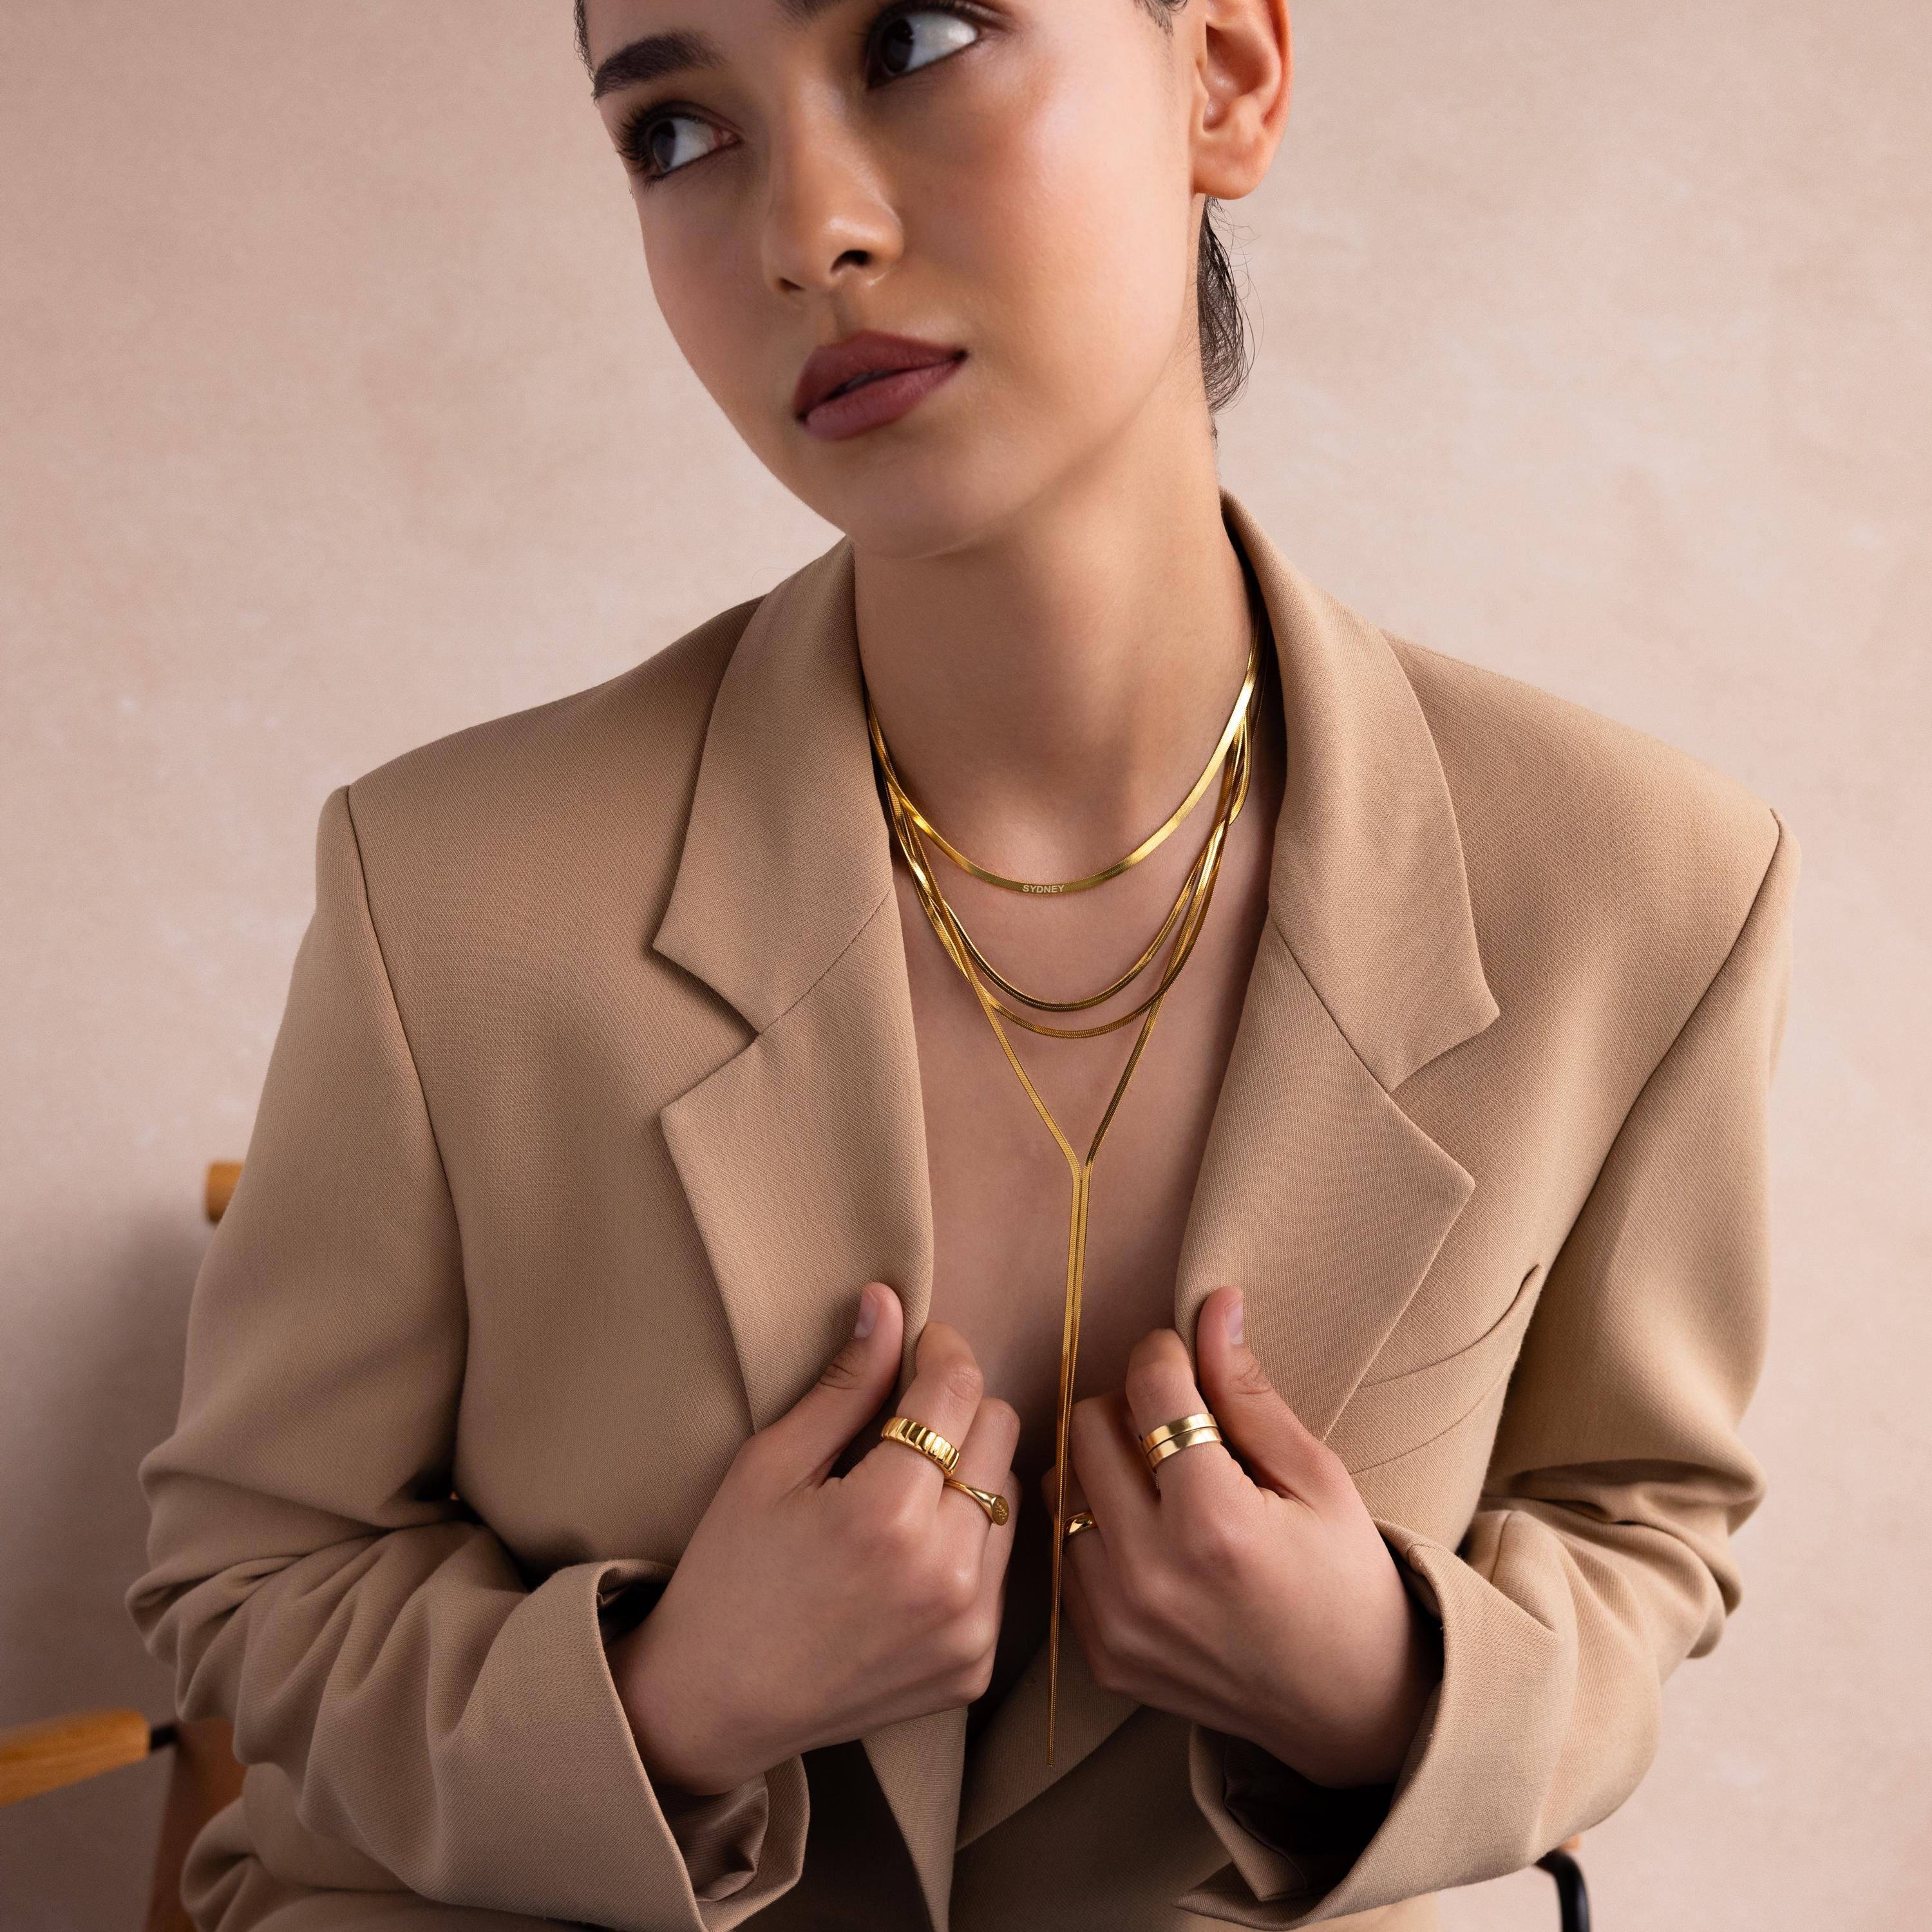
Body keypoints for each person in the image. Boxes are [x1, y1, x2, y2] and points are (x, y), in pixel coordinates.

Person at [127, 3, 1800, 1928]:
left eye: (917, 34)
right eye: (675, 131)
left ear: (1229, 76)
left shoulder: (1644, 887)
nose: (803, 229)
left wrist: (1388, 1689)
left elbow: (1636, 1520)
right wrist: (666, 1704)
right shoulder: (444, 884)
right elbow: (253, 1578)